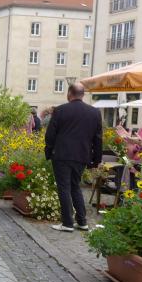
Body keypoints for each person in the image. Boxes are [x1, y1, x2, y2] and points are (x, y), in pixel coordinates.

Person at [44, 82, 102, 232]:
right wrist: (96, 160)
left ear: (69, 93)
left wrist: (48, 152)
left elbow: (50, 134)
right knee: (75, 186)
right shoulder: (94, 112)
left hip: (62, 155)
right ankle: (82, 221)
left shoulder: (60, 110)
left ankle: (67, 223)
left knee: (64, 187)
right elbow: (98, 139)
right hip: (82, 156)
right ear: (83, 94)